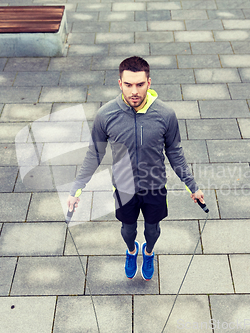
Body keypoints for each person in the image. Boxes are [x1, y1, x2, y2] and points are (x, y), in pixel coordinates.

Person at [67, 56, 204, 280]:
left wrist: (193, 187)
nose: (134, 91)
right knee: (128, 230)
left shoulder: (165, 115)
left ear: (149, 83)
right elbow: (95, 153)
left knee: (152, 230)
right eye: (128, 84)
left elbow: (175, 152)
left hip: (155, 186)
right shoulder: (105, 115)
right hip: (124, 188)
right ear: (120, 83)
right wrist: (76, 189)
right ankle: (132, 251)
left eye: (140, 84)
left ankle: (148, 252)